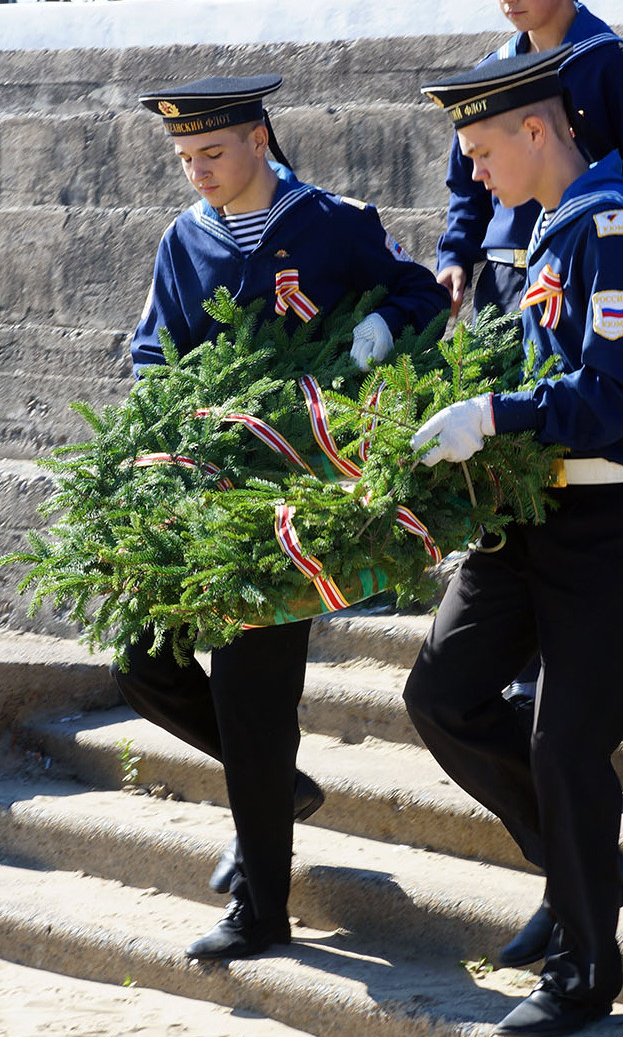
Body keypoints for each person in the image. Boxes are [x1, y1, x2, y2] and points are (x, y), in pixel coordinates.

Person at [405, 47, 623, 1037]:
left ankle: (585, 971)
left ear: (537, 131)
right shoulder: (546, 231)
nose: (473, 172)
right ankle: (584, 862)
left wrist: (492, 413)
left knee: (566, 744)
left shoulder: (613, 228)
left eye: (482, 148)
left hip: (611, 516)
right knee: (442, 692)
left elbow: (614, 394)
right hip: (532, 508)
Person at [121, 74, 450, 959]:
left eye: (213, 154)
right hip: (209, 484)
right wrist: (166, 424)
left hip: (299, 496)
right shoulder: (184, 243)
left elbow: (421, 294)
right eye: (186, 159)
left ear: (259, 140)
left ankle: (261, 911)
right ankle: (277, 786)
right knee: (142, 664)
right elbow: (152, 350)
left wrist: (384, 324)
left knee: (256, 698)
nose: (198, 173)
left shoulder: (334, 222)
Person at [432, 0, 623, 321]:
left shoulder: (619, 68)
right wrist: (454, 256)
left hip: (588, 278)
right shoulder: (489, 76)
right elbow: (468, 188)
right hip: (504, 283)